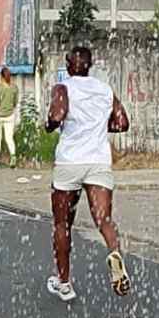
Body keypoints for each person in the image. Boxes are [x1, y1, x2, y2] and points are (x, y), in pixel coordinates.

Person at [44, 46, 132, 302]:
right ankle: (114, 253)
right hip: (98, 161)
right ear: (90, 65)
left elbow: (56, 115)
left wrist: (50, 125)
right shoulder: (104, 89)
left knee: (62, 224)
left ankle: (64, 283)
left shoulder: (63, 88)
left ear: (68, 64)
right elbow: (122, 122)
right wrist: (97, 127)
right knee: (104, 220)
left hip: (70, 162)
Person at [0, 66, 19, 167]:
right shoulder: (14, 88)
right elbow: (15, 102)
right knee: (9, 138)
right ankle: (13, 157)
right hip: (10, 115)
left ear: (1, 76)